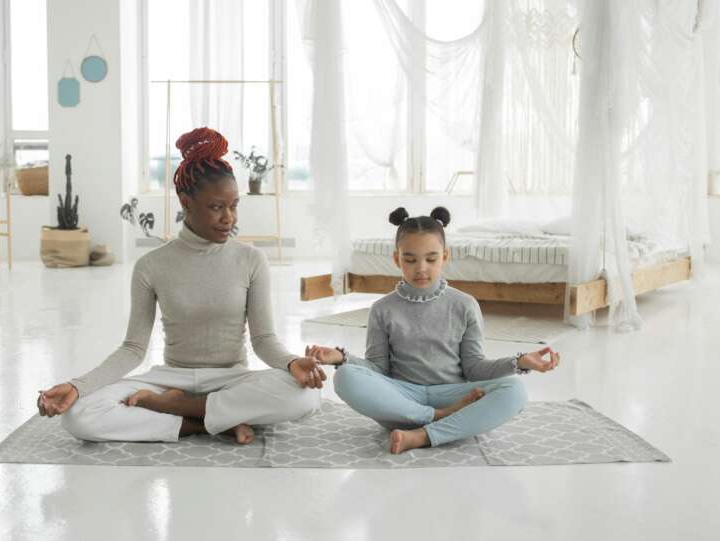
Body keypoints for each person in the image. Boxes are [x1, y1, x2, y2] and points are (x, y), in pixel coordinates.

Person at [37, 127, 324, 444]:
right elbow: (133, 349)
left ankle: (177, 409)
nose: (228, 218)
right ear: (186, 202)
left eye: (233, 206)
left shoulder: (251, 260)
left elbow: (264, 340)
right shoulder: (151, 265)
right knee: (79, 415)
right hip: (171, 378)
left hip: (231, 379)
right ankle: (202, 423)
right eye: (216, 207)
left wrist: (292, 363)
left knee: (306, 397)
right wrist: (78, 386)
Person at [306, 206, 560, 454]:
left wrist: (520, 362)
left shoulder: (465, 305)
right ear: (396, 259)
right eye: (410, 259)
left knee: (515, 390)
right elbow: (377, 370)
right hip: (403, 402)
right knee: (345, 376)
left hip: (454, 397)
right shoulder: (382, 309)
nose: (421, 268)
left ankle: (421, 436)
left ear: (445, 256)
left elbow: (474, 368)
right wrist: (341, 358)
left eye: (431, 259)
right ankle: (438, 418)